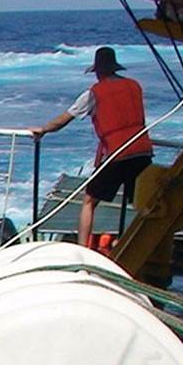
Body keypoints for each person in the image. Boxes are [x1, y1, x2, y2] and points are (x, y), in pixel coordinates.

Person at [29, 46, 154, 249]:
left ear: (98, 71)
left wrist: (43, 129)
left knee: (89, 201)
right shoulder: (134, 86)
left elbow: (64, 119)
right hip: (142, 151)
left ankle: (82, 248)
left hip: (118, 154)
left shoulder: (94, 93)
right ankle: (143, 244)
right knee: (142, 202)